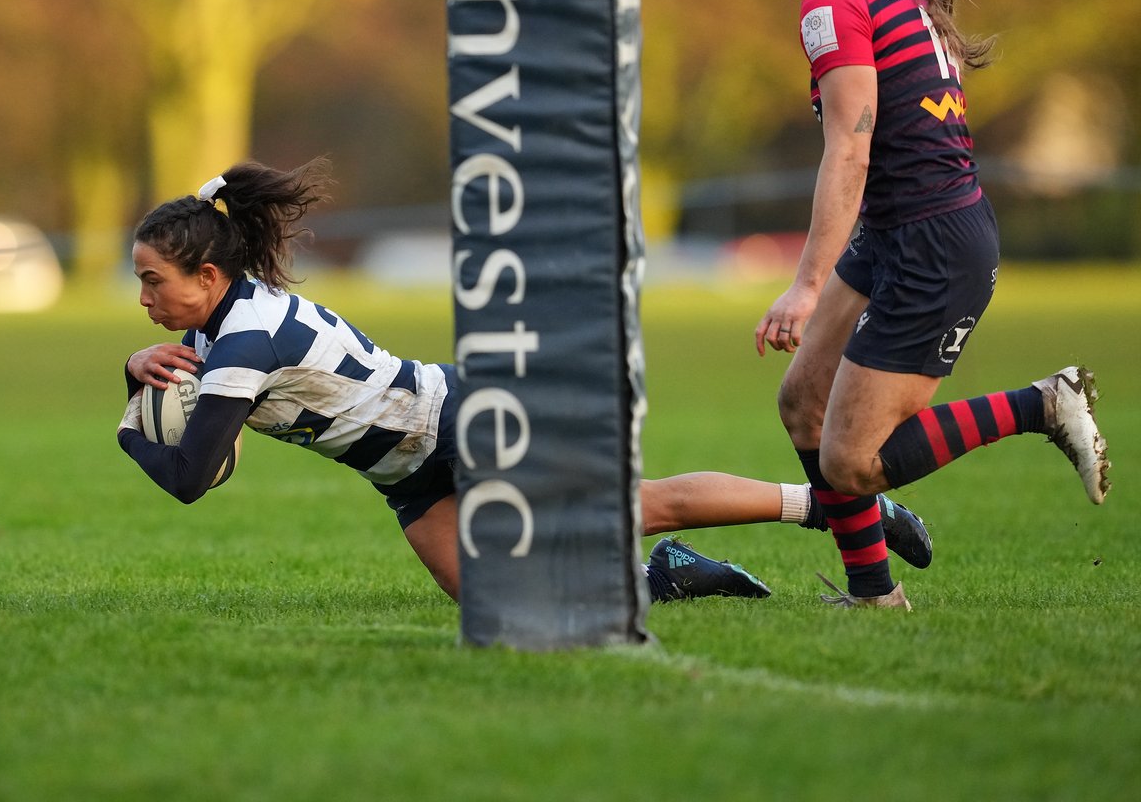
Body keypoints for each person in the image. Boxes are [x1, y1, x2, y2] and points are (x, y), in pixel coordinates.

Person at [116, 159, 933, 605]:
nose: (145, 298)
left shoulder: (244, 339)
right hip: (408, 473)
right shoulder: (223, 321)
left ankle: (840, 508)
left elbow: (193, 478)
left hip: (460, 421)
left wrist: (129, 425)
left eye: (153, 280)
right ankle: (669, 576)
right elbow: (196, 395)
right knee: (500, 609)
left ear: (209, 272)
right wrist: (133, 367)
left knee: (638, 505)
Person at [756, 0, 1110, 609]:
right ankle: (874, 595)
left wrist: (806, 283)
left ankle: (1044, 404)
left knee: (852, 462)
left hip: (932, 243)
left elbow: (851, 147)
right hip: (901, 230)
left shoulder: (830, 1)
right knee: (802, 402)